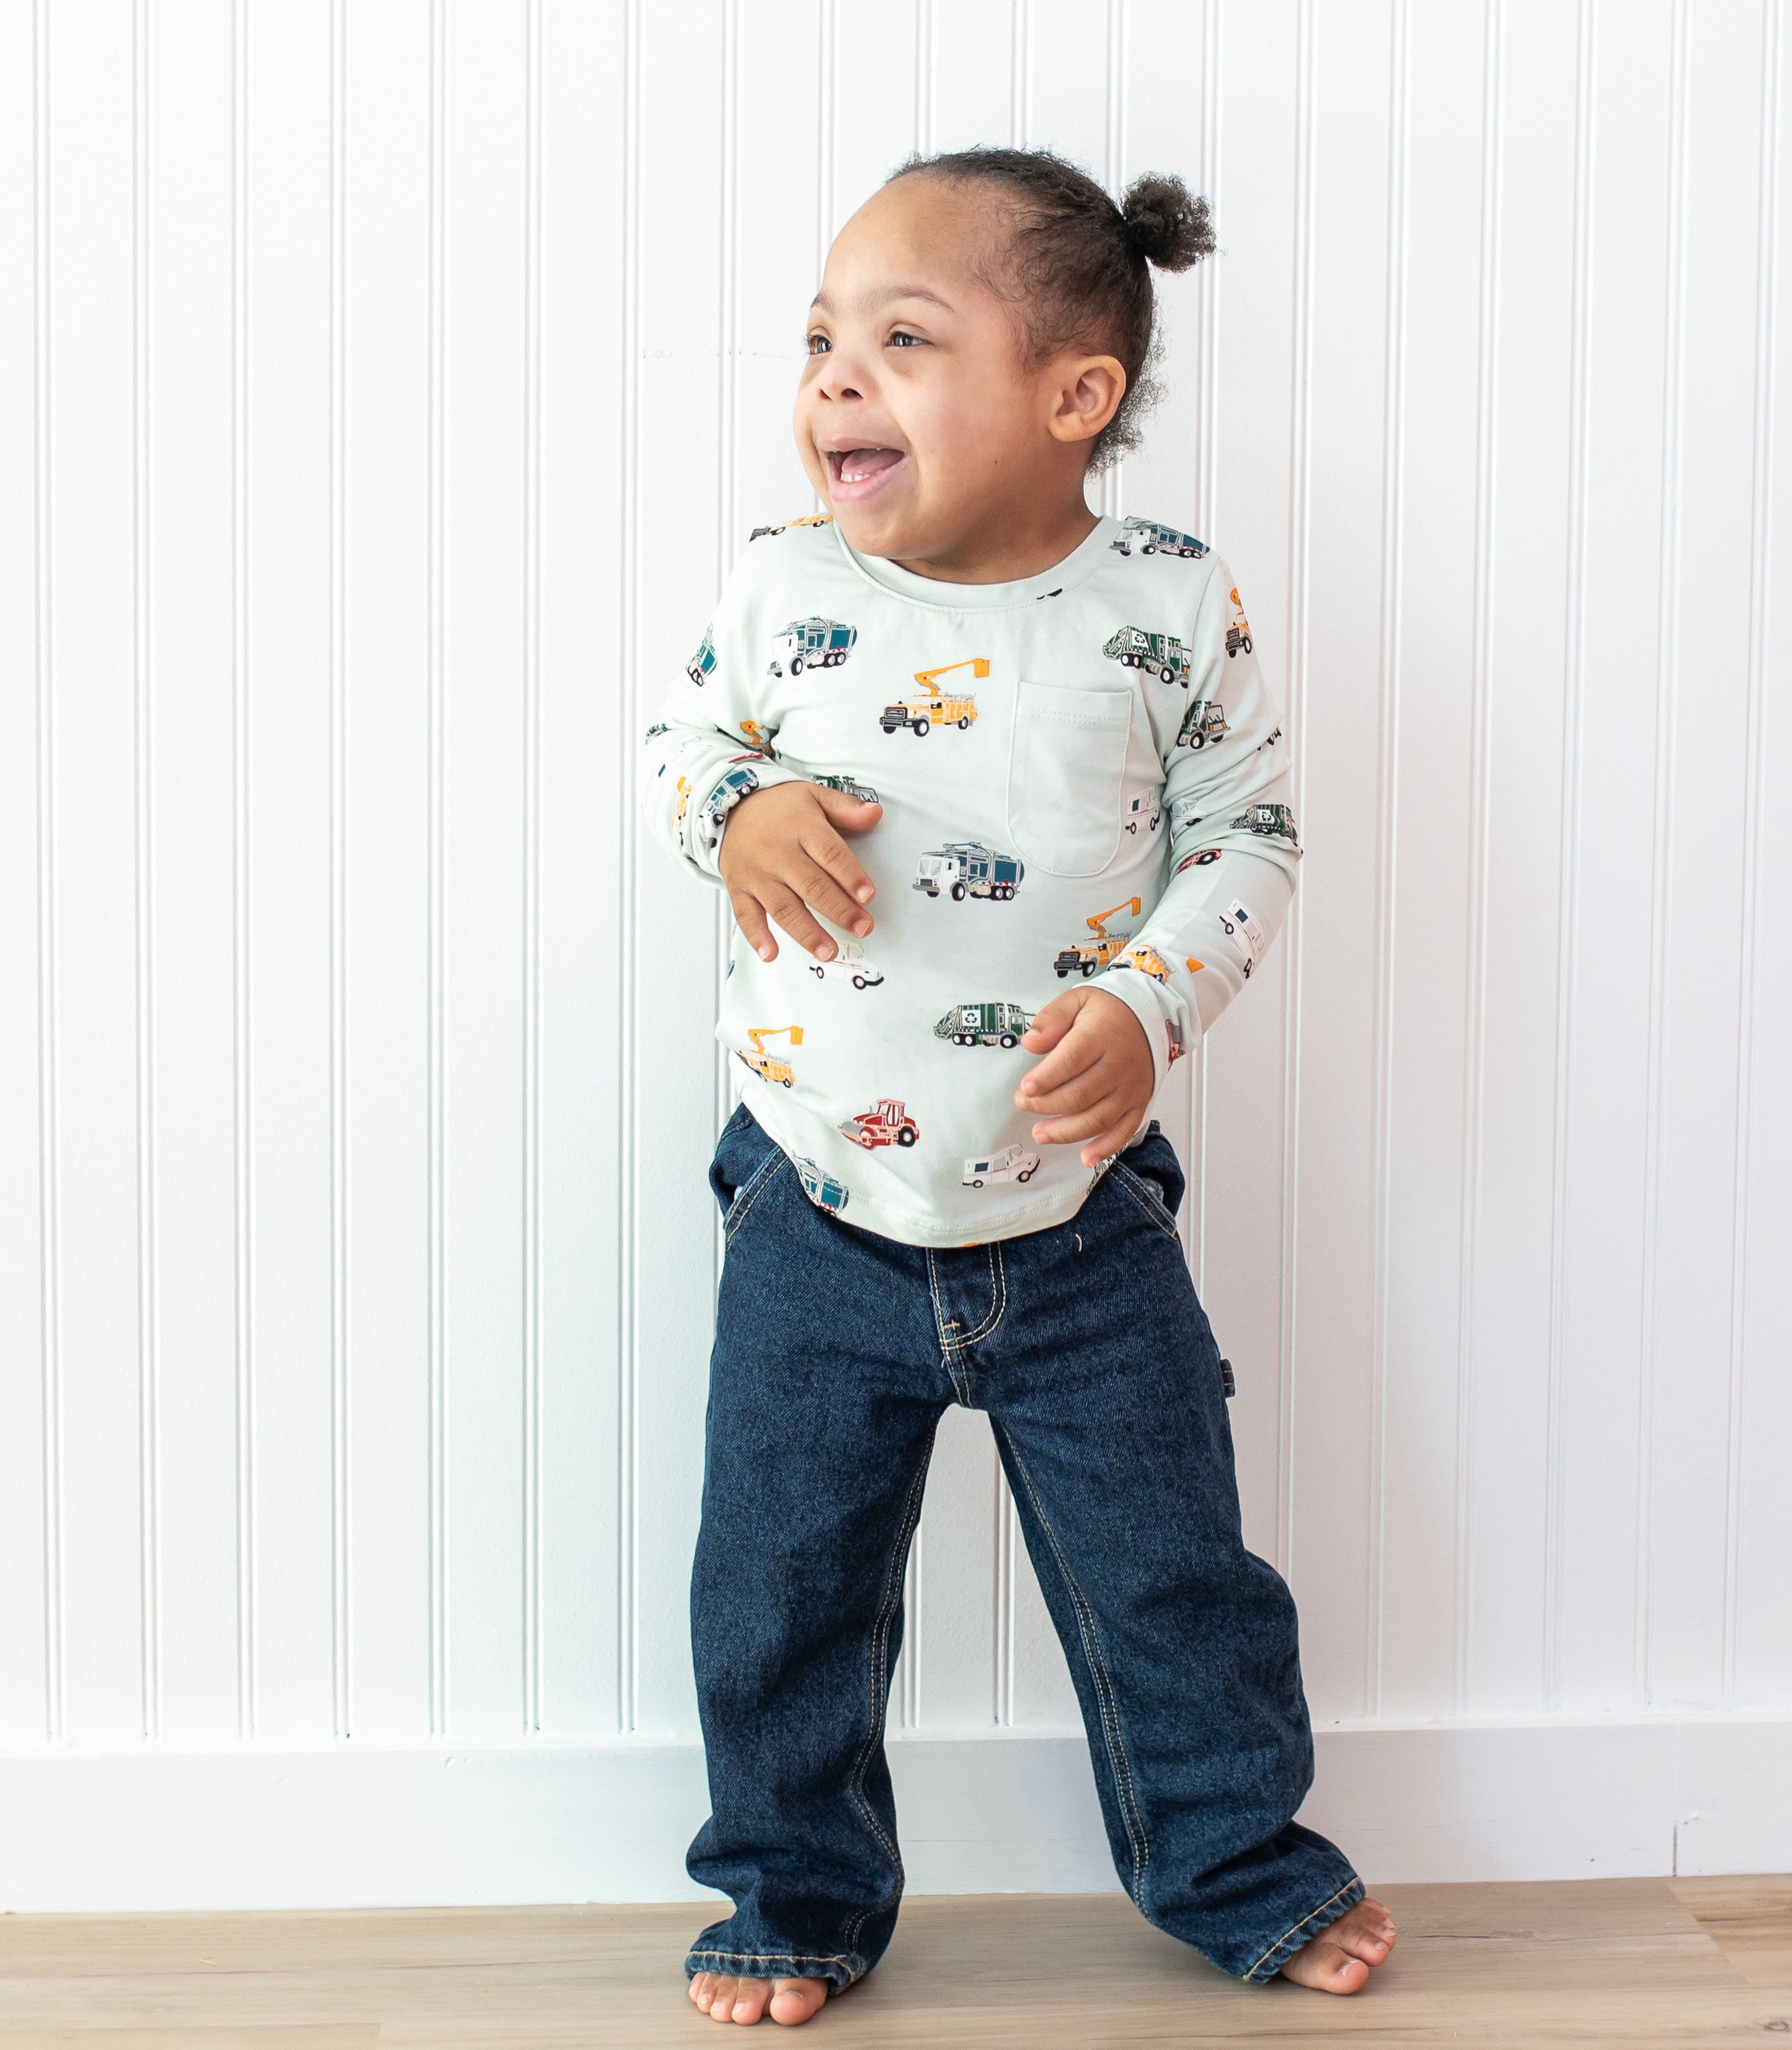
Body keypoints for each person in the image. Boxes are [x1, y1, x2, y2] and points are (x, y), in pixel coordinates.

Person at [638, 145, 1396, 2030]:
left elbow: (1252, 834)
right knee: (782, 1595)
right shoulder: (780, 586)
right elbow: (679, 747)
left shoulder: (1167, 603)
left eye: (902, 336)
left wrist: (1152, 1002)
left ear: (1076, 398)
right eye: (820, 336)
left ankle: (1235, 1868)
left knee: (1174, 1584)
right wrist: (732, 813)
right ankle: (792, 1891)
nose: (833, 376)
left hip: (1079, 1218)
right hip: (815, 1199)